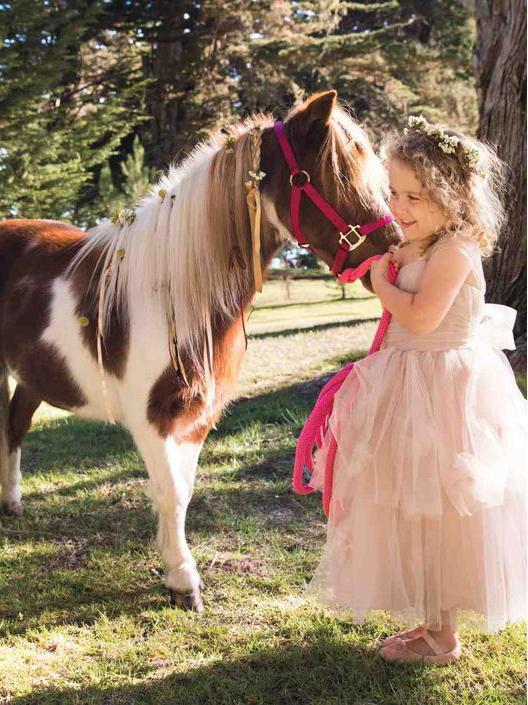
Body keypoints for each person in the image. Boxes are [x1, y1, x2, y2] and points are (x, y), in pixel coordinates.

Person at [306, 115, 526, 664]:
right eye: (395, 193)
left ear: (453, 198)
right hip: (408, 384)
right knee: (411, 505)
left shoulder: (455, 252)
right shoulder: (420, 246)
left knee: (443, 506)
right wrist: (394, 262)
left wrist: (381, 280)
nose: (400, 208)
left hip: (443, 390)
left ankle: (445, 637)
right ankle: (431, 623)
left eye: (417, 197)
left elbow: (423, 320)